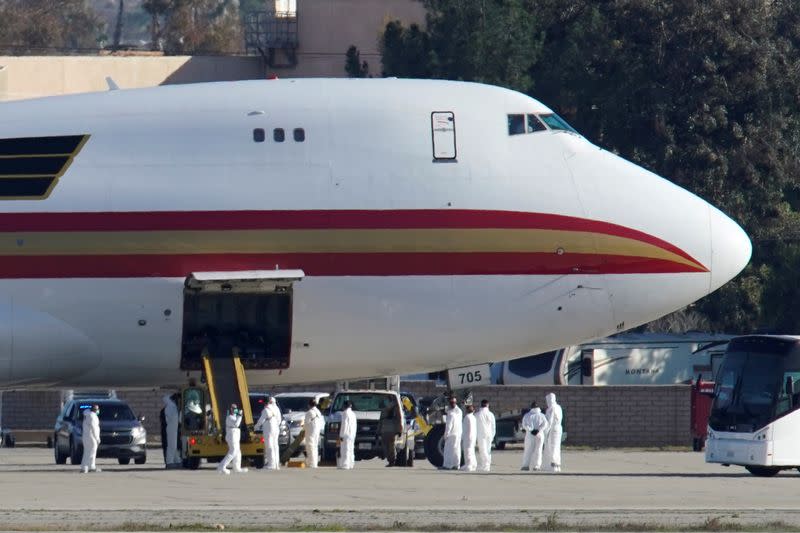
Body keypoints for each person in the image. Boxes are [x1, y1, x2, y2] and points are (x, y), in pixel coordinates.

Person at [217, 403, 248, 474]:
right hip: (231, 435)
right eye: (233, 408)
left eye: (235, 408)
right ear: (230, 409)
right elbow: (236, 424)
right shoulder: (229, 417)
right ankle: (222, 467)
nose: (234, 410)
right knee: (233, 451)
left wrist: (239, 415)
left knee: (238, 452)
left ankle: (237, 468)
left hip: (236, 435)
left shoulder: (235, 416)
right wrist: (240, 415)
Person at [521, 401, 549, 471]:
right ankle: (537, 466)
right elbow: (545, 424)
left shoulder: (527, 415)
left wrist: (531, 430)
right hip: (539, 435)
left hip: (530, 435)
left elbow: (524, 425)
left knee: (528, 450)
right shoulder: (542, 415)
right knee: (538, 450)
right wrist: (539, 430)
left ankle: (525, 465)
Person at [255, 396, 282, 470]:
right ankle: (276, 464)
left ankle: (271, 464)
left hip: (268, 428)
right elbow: (279, 419)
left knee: (269, 446)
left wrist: (255, 427)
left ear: (265, 403)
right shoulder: (276, 409)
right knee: (275, 446)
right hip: (276, 428)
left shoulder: (265, 410)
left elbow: (261, 421)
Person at [543, 392, 563, 472]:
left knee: (552, 446)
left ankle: (553, 465)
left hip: (553, 428)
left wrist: (545, 431)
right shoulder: (558, 407)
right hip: (559, 428)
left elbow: (550, 421)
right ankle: (558, 465)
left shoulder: (551, 408)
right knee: (557, 446)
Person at [379, 400, 403, 467]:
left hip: (391, 433)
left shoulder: (396, 412)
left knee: (391, 448)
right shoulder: (384, 412)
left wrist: (399, 431)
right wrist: (378, 432)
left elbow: (399, 422)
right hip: (385, 433)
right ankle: (390, 460)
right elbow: (380, 423)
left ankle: (392, 461)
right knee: (387, 448)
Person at [475, 399, 496, 472]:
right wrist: (493, 435)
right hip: (489, 434)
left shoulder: (477, 414)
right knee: (488, 450)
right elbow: (493, 427)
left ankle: (485, 464)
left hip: (481, 434)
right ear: (488, 405)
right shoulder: (491, 414)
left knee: (483, 450)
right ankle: (486, 466)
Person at [303, 398, 325, 468]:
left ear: (309, 405)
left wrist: (304, 429)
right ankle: (315, 463)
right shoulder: (318, 412)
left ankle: (312, 463)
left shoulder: (309, 412)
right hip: (317, 432)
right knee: (315, 447)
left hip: (310, 432)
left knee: (310, 447)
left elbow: (306, 423)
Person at [442, 396, 462, 470]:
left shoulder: (451, 414)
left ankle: (447, 465)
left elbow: (449, 426)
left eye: (453, 402)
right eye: (451, 402)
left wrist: (445, 435)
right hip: (458, 433)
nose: (452, 404)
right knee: (456, 450)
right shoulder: (459, 411)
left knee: (448, 450)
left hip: (451, 434)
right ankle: (456, 465)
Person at [80, 404, 101, 473]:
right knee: (92, 451)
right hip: (91, 436)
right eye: (97, 409)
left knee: (87, 451)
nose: (98, 410)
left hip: (86, 436)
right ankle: (88, 467)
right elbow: (94, 428)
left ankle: (87, 467)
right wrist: (97, 438)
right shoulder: (92, 416)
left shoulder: (87, 415)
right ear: (94, 410)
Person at [163, 394, 181, 469]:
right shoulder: (171, 407)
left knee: (174, 446)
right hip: (171, 428)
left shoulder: (171, 406)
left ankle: (177, 461)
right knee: (171, 446)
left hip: (173, 428)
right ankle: (169, 462)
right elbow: (175, 418)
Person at [338, 400, 357, 469]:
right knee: (351, 449)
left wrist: (341, 435)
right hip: (352, 434)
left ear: (344, 406)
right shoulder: (353, 414)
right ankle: (351, 464)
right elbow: (355, 425)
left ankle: (345, 465)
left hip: (346, 434)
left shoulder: (345, 413)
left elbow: (344, 425)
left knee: (345, 449)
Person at [460, 404, 477, 472]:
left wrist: (463, 437)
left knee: (468, 451)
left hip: (468, 437)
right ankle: (473, 464)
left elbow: (466, 429)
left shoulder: (467, 417)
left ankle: (469, 465)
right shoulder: (473, 417)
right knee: (471, 451)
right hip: (472, 437)